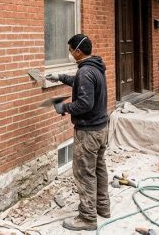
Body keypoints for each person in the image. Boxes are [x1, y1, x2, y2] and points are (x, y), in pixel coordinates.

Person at [45, 34, 109, 231]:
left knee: (84, 173)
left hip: (88, 132)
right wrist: (60, 77)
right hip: (101, 128)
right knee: (99, 168)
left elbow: (84, 103)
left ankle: (87, 218)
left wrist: (64, 108)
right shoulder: (95, 67)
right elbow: (82, 85)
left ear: (78, 51)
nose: (70, 54)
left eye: (71, 51)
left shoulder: (85, 72)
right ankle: (103, 207)